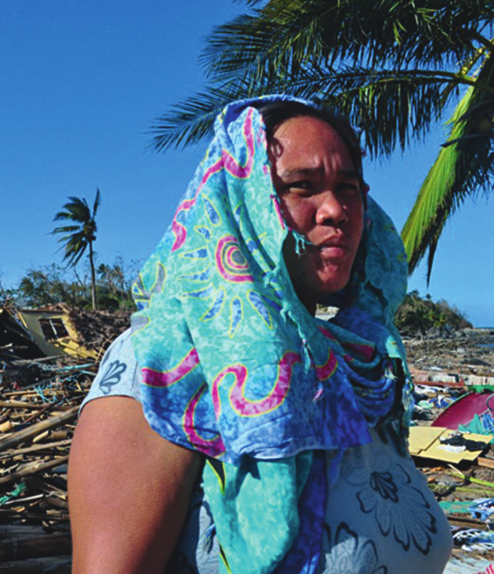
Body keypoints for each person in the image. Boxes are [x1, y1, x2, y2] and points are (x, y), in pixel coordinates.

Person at [68, 95, 453, 574]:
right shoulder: (165, 366)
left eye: (349, 186)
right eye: (301, 186)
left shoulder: (361, 371)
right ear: (244, 204)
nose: (336, 209)